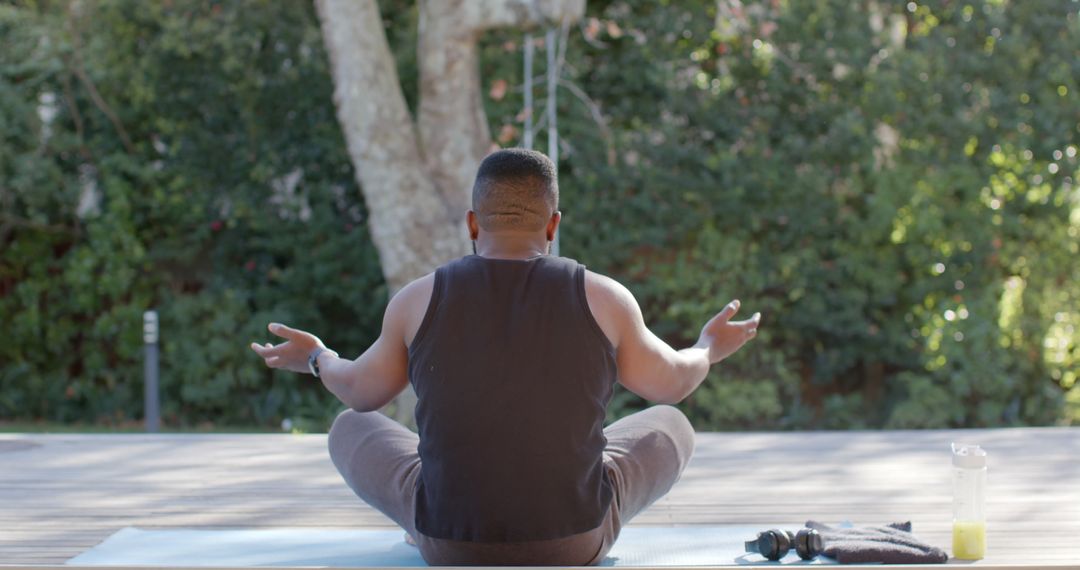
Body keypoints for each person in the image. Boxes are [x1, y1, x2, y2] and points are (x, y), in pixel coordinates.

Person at [250, 148, 761, 566]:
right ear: (553, 224)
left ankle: (422, 519)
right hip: (572, 541)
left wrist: (317, 356)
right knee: (671, 423)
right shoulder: (605, 298)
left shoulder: (416, 298)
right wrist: (708, 347)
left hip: (446, 543)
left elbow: (360, 391)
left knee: (348, 427)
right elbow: (672, 384)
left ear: (473, 223)